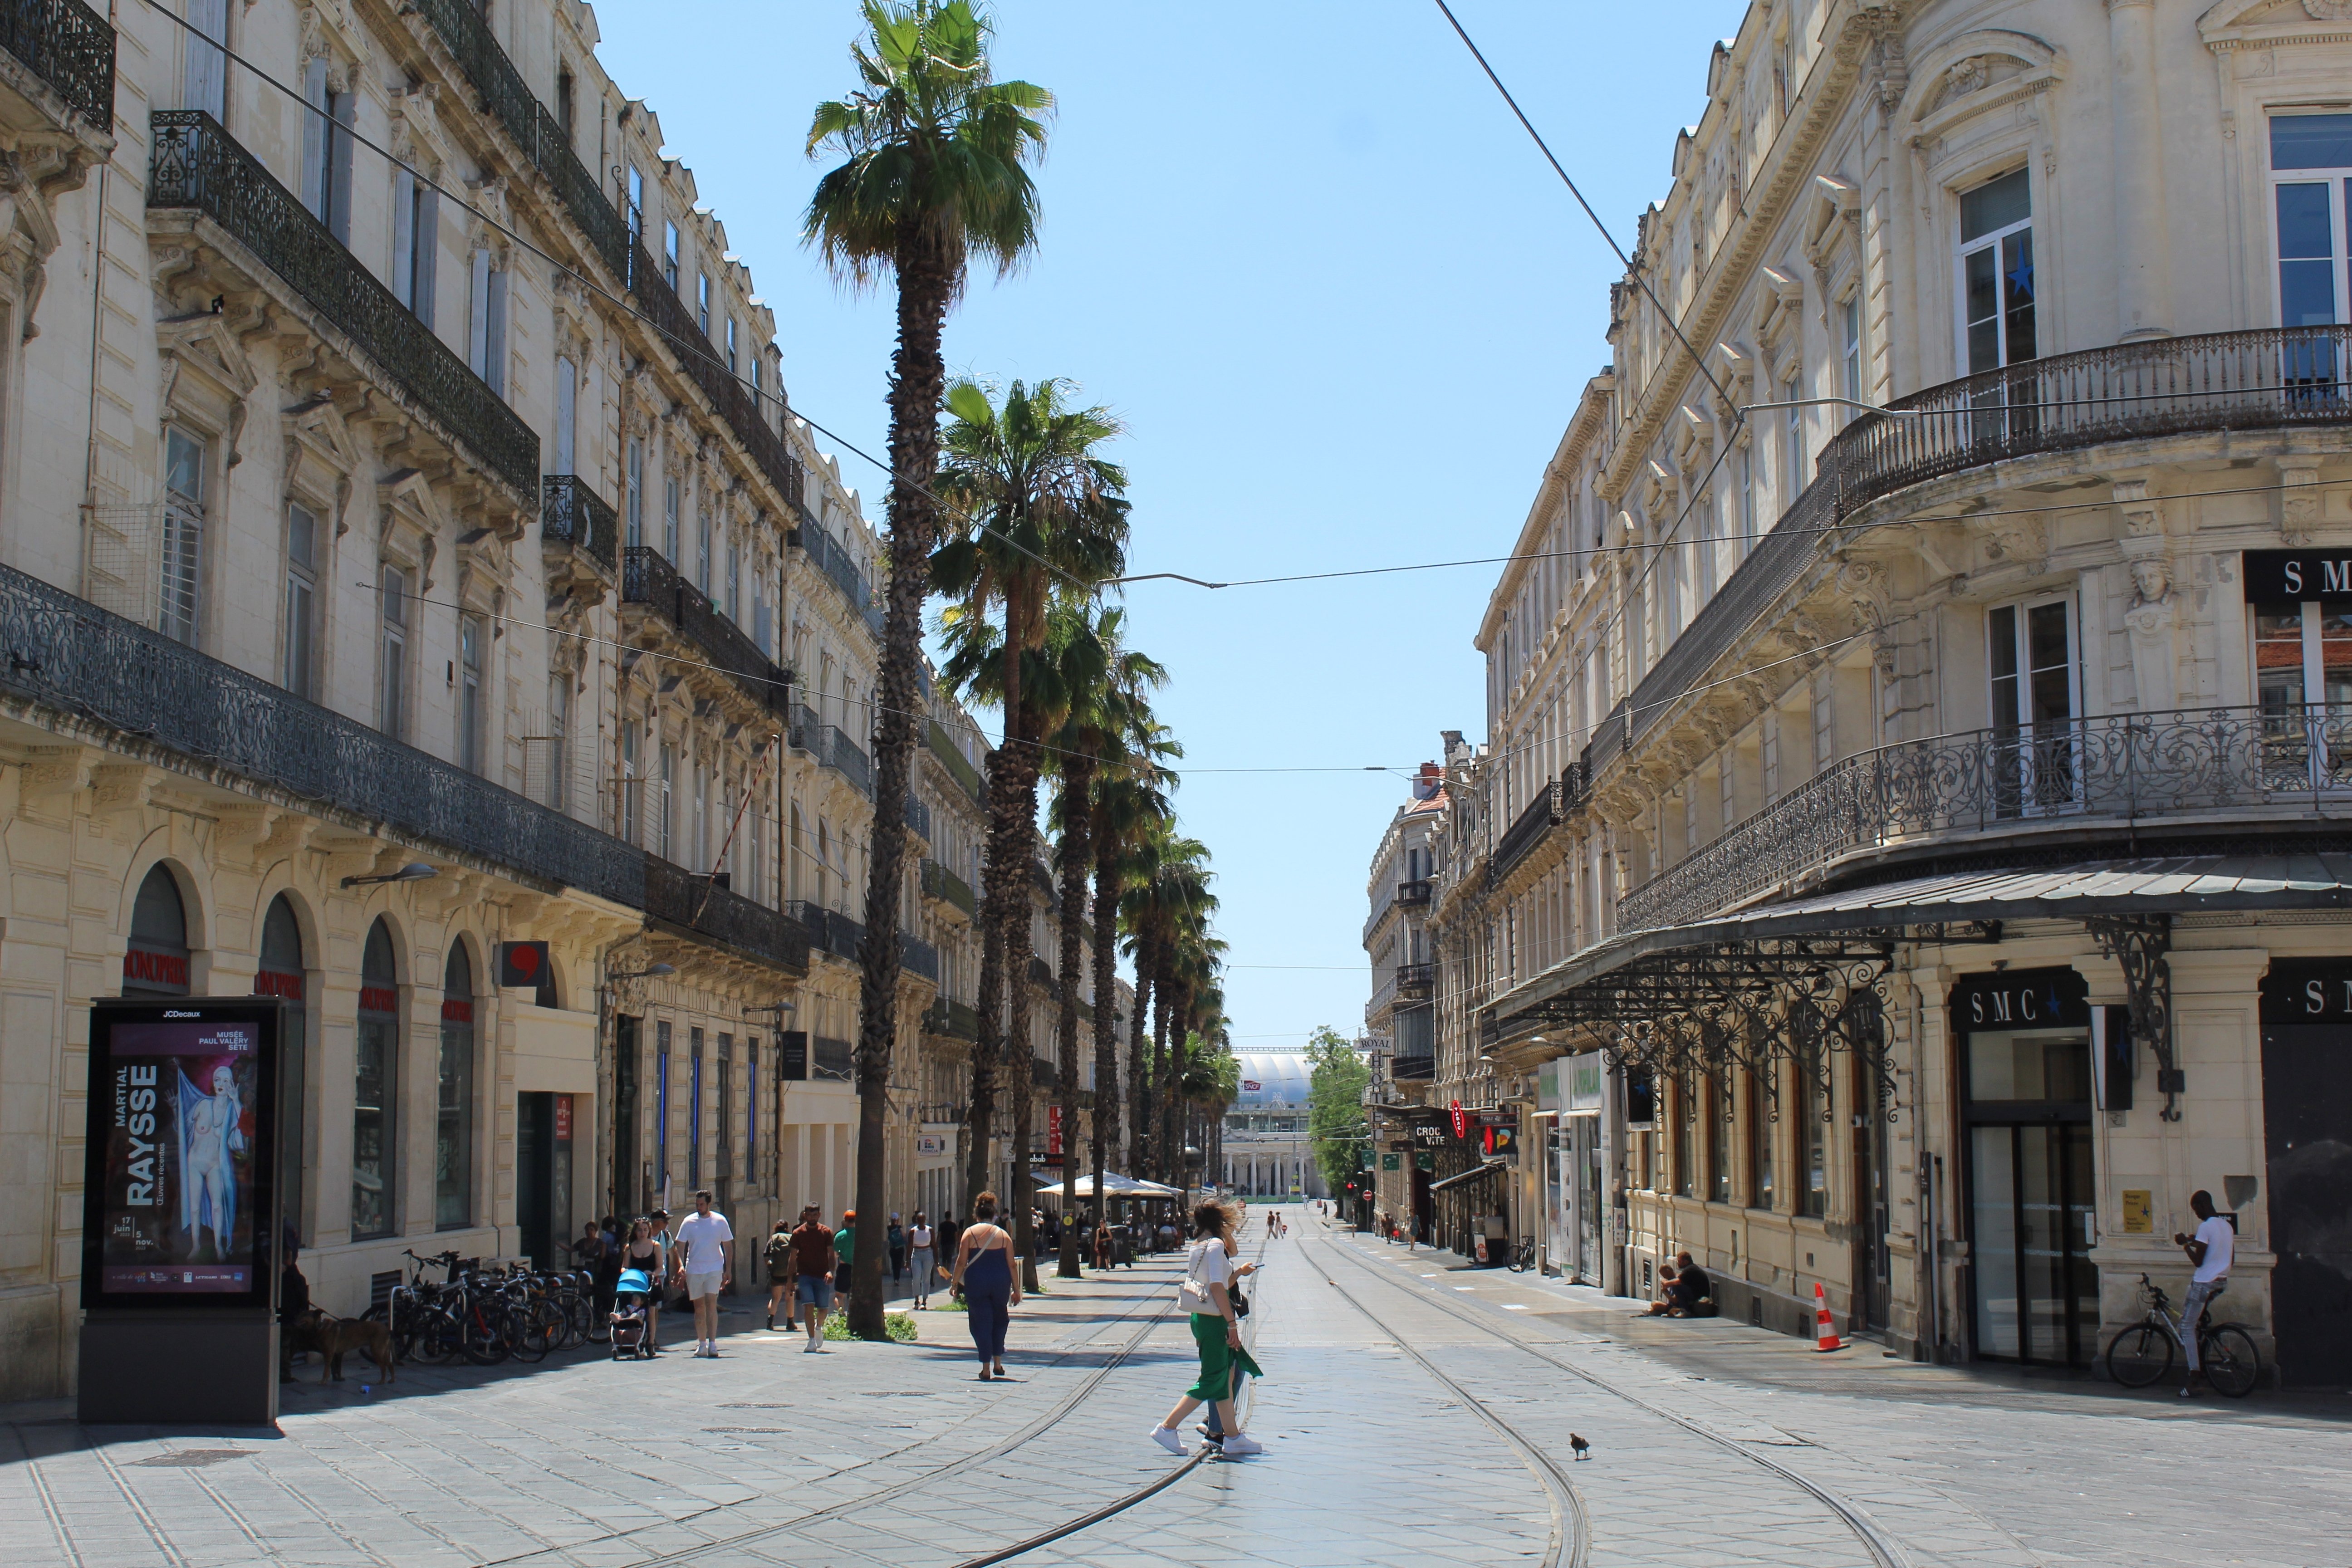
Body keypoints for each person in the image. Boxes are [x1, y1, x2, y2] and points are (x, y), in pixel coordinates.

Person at [1148, 1201, 1264, 1457]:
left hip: (1203, 1317)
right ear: (1217, 1222)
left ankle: (1232, 1438)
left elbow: (1225, 1270)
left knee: (1222, 1380)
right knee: (1212, 1379)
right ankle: (1167, 1427)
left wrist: (1224, 1238)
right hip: (1215, 1320)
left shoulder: (1199, 1246)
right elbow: (1216, 1287)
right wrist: (1231, 1324)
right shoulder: (1215, 1247)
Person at [949, 1192, 1019, 1380]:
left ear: (976, 1215)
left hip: (976, 1282)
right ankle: (998, 1362)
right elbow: (1012, 1264)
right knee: (1000, 1320)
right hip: (1000, 1283)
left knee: (981, 1323)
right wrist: (1017, 1290)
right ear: (994, 1214)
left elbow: (961, 1262)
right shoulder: (1004, 1236)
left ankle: (986, 1368)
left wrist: (955, 1283)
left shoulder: (969, 1234)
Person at [2173, 1190, 2236, 1397]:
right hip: (2221, 1281)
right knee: (2197, 1323)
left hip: (2203, 1283)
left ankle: (2195, 1376)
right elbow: (2229, 1259)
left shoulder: (2206, 1226)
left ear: (2201, 1205)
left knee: (2186, 1327)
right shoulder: (2226, 1226)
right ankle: (2203, 1350)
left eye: (2195, 1210)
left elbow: (2199, 1262)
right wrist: (2194, 1241)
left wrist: (2184, 1245)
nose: (2196, 1215)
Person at [673, 1190, 734, 1359]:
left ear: (709, 1204)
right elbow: (679, 1245)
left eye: (702, 1204)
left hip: (714, 1268)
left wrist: (728, 1269)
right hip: (694, 1268)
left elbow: (728, 1245)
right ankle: (702, 1343)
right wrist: (680, 1266)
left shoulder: (720, 1221)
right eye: (697, 1205)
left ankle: (713, 1343)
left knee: (711, 1303)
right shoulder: (689, 1222)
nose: (699, 1207)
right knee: (699, 1307)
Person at [789, 1204, 836, 1350]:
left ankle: (818, 1327)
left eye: (815, 1215)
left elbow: (831, 1255)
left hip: (822, 1276)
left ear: (819, 1215)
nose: (812, 1218)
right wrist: (790, 1280)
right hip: (805, 1276)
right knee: (808, 1306)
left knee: (823, 1309)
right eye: (809, 1215)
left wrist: (831, 1271)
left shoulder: (826, 1232)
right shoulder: (798, 1233)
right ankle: (811, 1340)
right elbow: (792, 1258)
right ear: (805, 1215)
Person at [623, 1217, 666, 1353]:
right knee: (632, 1308)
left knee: (651, 1312)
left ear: (650, 1231)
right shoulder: (629, 1247)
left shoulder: (656, 1246)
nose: (643, 1233)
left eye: (646, 1230)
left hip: (651, 1282)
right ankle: (633, 1337)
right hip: (636, 1283)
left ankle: (651, 1341)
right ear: (635, 1232)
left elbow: (660, 1267)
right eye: (640, 1230)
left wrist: (653, 1274)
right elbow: (624, 1267)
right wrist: (628, 1273)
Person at [1644, 1251, 1712, 1316]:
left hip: (1699, 1296)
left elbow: (1677, 1285)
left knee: (1676, 1286)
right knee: (1655, 1304)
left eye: (1679, 1261)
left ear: (1686, 1261)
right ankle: (1655, 1312)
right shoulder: (1689, 1270)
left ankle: (1684, 1310)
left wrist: (1666, 1285)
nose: (1678, 1263)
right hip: (1695, 1294)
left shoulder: (1690, 1269)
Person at [763, 1219, 796, 1332]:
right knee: (790, 1297)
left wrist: (770, 1268)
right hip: (789, 1273)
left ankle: (770, 1321)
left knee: (776, 1298)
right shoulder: (792, 1238)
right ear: (787, 1228)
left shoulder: (773, 1239)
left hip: (776, 1273)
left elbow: (766, 1255)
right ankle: (790, 1323)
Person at [907, 1211, 937, 1309]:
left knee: (926, 1278)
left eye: (923, 1220)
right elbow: (910, 1246)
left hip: (928, 1254)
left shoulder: (930, 1230)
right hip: (916, 1254)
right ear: (917, 1221)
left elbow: (934, 1244)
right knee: (916, 1278)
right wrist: (907, 1261)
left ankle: (924, 1301)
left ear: (925, 1220)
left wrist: (936, 1259)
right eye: (919, 1220)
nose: (921, 1222)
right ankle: (916, 1300)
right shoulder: (913, 1231)